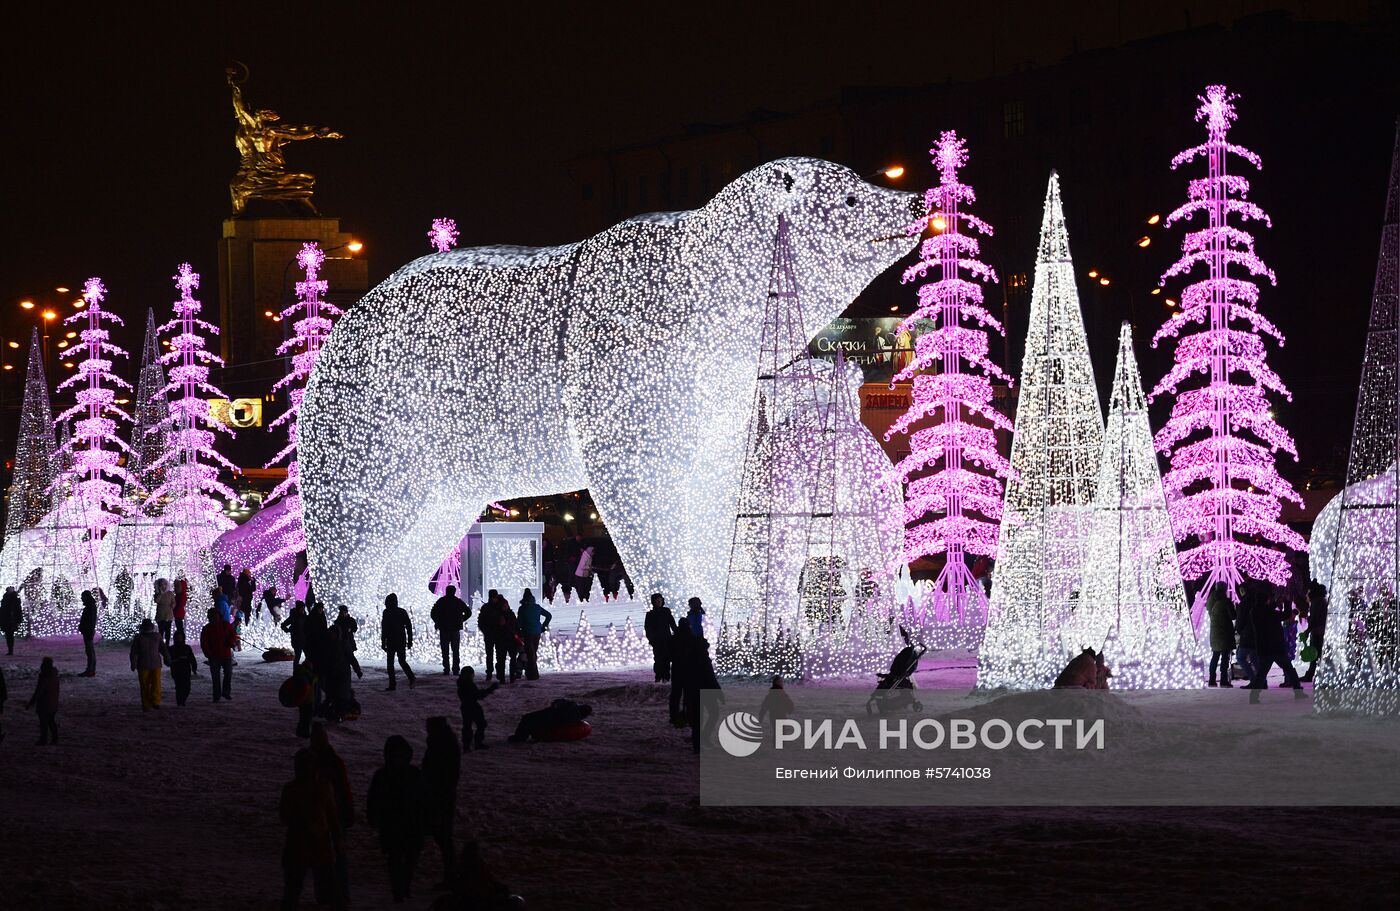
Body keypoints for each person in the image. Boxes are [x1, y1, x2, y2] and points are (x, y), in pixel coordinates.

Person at [279, 747, 345, 911]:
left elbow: (331, 815)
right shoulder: (296, 788)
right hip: (304, 842)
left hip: (313, 843)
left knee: (323, 885)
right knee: (295, 888)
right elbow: (285, 815)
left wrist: (337, 837)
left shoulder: (318, 787)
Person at [367, 734, 426, 903]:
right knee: (396, 858)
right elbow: (374, 799)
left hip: (409, 823)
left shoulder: (410, 774)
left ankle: (403, 886)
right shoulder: (386, 775)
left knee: (408, 858)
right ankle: (399, 889)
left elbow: (423, 798)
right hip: (394, 824)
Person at [310, 722, 354, 907]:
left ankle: (331, 895)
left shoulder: (316, 763)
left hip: (328, 817)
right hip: (331, 816)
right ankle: (337, 894)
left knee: (328, 857)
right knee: (334, 857)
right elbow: (344, 789)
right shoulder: (332, 761)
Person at [422, 716, 462, 885]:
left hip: (440, 795)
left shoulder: (441, 746)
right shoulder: (444, 743)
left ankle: (451, 876)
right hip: (441, 794)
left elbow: (442, 773)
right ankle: (451, 875)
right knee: (443, 837)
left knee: (443, 837)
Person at [1245, 584, 1302, 690]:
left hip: (1263, 647)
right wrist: (1287, 602)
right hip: (1276, 647)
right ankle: (1298, 690)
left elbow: (1266, 610)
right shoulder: (1270, 612)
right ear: (1267, 600)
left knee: (1261, 673)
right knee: (1289, 669)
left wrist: (1276, 603)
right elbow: (1285, 615)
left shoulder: (1254, 612)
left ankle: (1254, 696)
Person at [129, 618, 170, 710]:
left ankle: (153, 702)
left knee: (153, 684)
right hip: (147, 664)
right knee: (147, 684)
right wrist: (133, 662)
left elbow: (163, 649)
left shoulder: (155, 636)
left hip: (150, 664)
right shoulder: (140, 638)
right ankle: (149, 703)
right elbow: (134, 652)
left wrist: (167, 657)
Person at [508, 698, 592, 743]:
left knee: (528, 719)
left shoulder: (573, 707)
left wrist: (555, 706)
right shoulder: (575, 719)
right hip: (552, 720)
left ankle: (519, 738)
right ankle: (521, 737)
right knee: (531, 721)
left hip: (550, 716)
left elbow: (559, 702)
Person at [431, 585, 471, 676]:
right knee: (455, 650)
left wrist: (438, 622)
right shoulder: (458, 602)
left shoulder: (441, 601)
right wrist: (461, 620)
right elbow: (468, 612)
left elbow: (433, 613)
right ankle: (456, 669)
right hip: (455, 629)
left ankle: (446, 669)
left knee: (445, 650)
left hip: (444, 629)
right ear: (454, 591)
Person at [200, 606, 237, 702]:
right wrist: (208, 654)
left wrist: (231, 642)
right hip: (214, 656)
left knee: (228, 673)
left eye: (215, 616)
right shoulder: (207, 628)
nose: (214, 618)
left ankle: (225, 692)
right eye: (212, 616)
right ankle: (217, 695)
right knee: (216, 677)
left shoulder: (225, 625)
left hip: (225, 654)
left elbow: (233, 634)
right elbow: (204, 643)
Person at [456, 667, 498, 751]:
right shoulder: (469, 684)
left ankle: (466, 745)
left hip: (465, 707)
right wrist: (490, 689)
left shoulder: (462, 683)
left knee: (467, 726)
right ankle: (478, 743)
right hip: (473, 707)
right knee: (481, 724)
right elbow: (478, 695)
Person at [382, 593, 416, 691]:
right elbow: (408, 627)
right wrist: (409, 640)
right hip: (399, 640)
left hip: (392, 640)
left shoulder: (387, 612)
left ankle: (393, 684)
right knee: (400, 661)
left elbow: (384, 628)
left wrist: (383, 641)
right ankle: (410, 678)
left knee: (391, 664)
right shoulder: (401, 612)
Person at [515, 589, 551, 681]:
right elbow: (549, 615)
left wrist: (518, 630)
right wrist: (543, 626)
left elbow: (519, 623)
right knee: (533, 653)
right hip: (537, 632)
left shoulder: (522, 608)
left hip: (527, 633)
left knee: (530, 654)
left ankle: (532, 674)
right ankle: (532, 673)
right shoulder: (537, 607)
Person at [1205, 583, 1235, 687]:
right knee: (1225, 657)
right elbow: (1233, 615)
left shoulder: (1210, 601)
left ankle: (1212, 679)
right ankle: (1223, 680)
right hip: (1225, 632)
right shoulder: (1225, 601)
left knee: (1215, 656)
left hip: (1214, 632)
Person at [643, 593, 677, 683]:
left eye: (660, 600)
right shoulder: (650, 614)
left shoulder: (666, 611)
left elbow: (672, 624)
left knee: (666, 658)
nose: (659, 602)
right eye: (657, 600)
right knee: (658, 659)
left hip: (667, 639)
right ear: (653, 602)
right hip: (657, 641)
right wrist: (651, 639)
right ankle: (658, 676)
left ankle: (666, 676)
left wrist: (678, 633)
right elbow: (648, 628)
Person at [26, 656, 60, 745]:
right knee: (51, 721)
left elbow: (39, 691)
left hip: (44, 703)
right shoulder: (54, 676)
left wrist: (32, 702)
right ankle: (54, 738)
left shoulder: (45, 677)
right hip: (53, 702)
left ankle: (44, 739)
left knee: (43, 722)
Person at [668, 620, 694, 726]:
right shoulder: (692, 638)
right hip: (688, 669)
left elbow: (669, 653)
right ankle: (686, 715)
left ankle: (675, 716)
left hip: (677, 669)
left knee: (676, 694)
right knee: (688, 694)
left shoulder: (674, 639)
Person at [1302, 582, 1328, 683]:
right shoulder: (1322, 600)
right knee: (1317, 654)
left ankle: (1311, 674)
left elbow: (1314, 618)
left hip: (1317, 631)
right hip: (1320, 630)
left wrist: (1308, 630)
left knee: (1314, 654)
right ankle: (1312, 674)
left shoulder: (1317, 602)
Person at [476, 591, 503, 683]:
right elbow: (480, 621)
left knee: (493, 655)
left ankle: (493, 673)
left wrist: (485, 630)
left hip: (493, 634)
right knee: (495, 654)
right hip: (495, 634)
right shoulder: (498, 607)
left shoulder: (487, 607)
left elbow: (480, 621)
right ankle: (495, 672)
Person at [168, 630, 198, 707]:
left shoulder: (187, 647)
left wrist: (194, 667)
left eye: (180, 637)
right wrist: (176, 659)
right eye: (178, 637)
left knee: (187, 687)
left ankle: (182, 700)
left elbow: (192, 658)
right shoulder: (171, 649)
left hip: (186, 669)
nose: (179, 638)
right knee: (179, 686)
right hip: (176, 670)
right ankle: (180, 701)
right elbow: (168, 660)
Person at [334, 605, 363, 679]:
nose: (342, 614)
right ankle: (350, 674)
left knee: (350, 657)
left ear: (346, 612)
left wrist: (350, 629)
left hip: (348, 642)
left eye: (344, 612)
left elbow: (355, 628)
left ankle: (357, 671)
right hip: (341, 643)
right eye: (341, 612)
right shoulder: (338, 621)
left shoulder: (350, 620)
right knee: (346, 660)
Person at [78, 589, 99, 676]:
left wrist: (86, 628)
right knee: (89, 651)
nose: (81, 598)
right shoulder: (90, 606)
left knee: (90, 651)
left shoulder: (90, 607)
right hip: (88, 631)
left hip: (88, 631)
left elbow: (90, 621)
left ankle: (90, 670)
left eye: (82, 596)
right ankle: (90, 669)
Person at [154, 578, 176, 646]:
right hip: (160, 615)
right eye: (161, 585)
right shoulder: (157, 593)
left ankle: (167, 644)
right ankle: (160, 644)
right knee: (161, 630)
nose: (163, 586)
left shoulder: (170, 593)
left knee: (167, 631)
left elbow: (173, 602)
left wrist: (173, 605)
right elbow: (157, 601)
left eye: (164, 584)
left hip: (168, 614)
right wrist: (161, 594)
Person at [1, 585, 23, 654]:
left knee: (9, 634)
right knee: (8, 635)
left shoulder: (13, 598)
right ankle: (10, 649)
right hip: (7, 618)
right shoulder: (8, 597)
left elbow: (17, 610)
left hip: (10, 619)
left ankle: (10, 650)